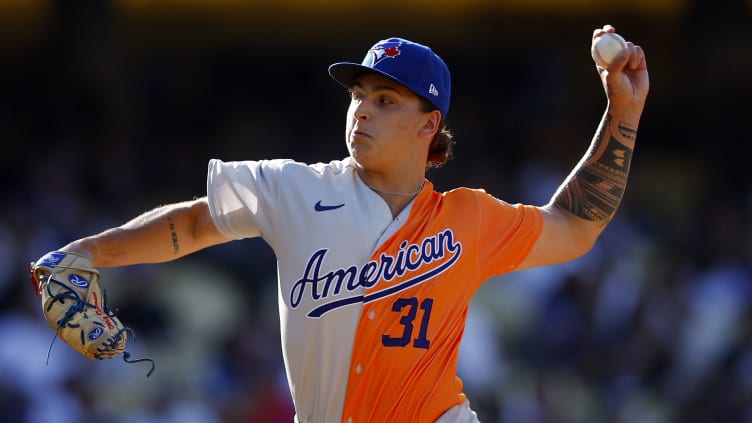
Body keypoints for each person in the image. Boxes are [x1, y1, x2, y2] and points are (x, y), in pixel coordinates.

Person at [34, 25, 648, 422]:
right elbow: (195, 224)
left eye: (385, 100)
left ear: (428, 124)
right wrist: (88, 253)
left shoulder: (469, 218)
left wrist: (623, 111)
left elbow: (575, 223)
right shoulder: (295, 188)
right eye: (358, 94)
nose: (362, 111)